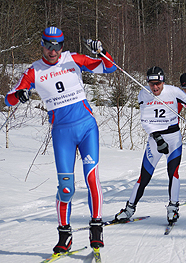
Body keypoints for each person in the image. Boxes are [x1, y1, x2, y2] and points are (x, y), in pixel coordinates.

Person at [5, 26, 117, 253]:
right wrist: (19, 94)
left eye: (57, 45)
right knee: (66, 188)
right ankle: (65, 235)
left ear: (62, 46)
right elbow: (9, 100)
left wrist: (102, 50)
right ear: (42, 44)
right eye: (48, 44)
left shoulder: (72, 59)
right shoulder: (33, 72)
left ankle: (96, 227)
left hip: (86, 128)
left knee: (92, 178)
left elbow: (109, 67)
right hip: (62, 133)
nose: (52, 50)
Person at [114, 66, 186, 224]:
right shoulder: (143, 93)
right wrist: (158, 138)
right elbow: (145, 121)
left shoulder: (173, 92)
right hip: (155, 139)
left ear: (163, 82)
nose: (155, 87)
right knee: (144, 176)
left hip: (173, 138)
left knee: (172, 173)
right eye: (152, 84)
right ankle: (129, 209)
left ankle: (173, 208)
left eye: (158, 84)